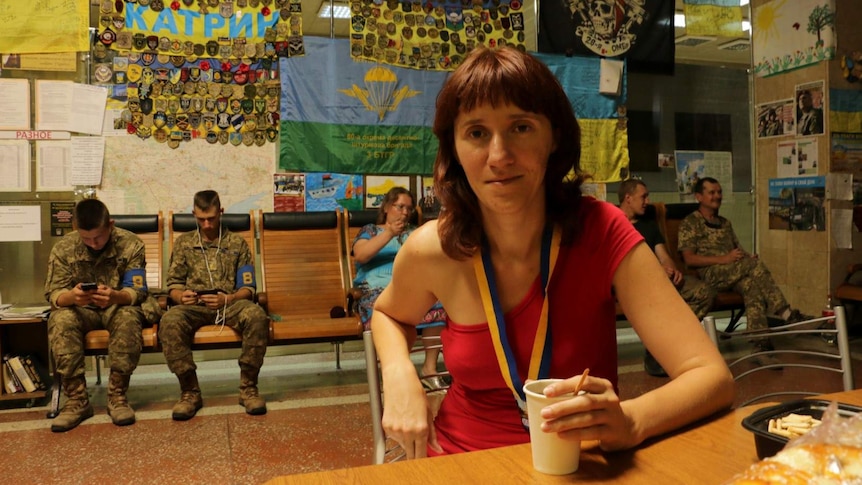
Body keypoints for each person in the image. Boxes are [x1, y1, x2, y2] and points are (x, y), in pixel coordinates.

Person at [371, 47, 735, 458]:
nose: (498, 156)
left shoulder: (602, 231)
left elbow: (711, 377)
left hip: (581, 464)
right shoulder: (433, 247)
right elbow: (387, 314)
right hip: (461, 461)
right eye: (476, 133)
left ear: (554, 136)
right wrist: (400, 373)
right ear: (454, 148)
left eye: (521, 128)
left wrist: (632, 420)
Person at [160, 190, 269, 419]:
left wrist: (228, 298)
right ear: (193, 215)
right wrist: (181, 297)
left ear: (221, 212)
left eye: (211, 218)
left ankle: (248, 388)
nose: (207, 224)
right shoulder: (184, 243)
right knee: (170, 320)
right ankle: (189, 392)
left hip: (229, 303)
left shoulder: (237, 244)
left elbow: (248, 288)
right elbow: (173, 284)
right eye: (201, 219)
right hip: (194, 306)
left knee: (257, 316)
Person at [44, 198, 149, 432]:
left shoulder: (131, 244)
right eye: (86, 239)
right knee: (60, 320)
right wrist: (72, 297)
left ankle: (117, 396)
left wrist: (115, 296)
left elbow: (137, 292)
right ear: (75, 229)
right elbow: (54, 293)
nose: (93, 244)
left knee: (129, 317)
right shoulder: (63, 248)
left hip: (116, 307)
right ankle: (77, 401)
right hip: (82, 310)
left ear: (110, 225)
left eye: (98, 237)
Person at [678, 177, 813, 353]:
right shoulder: (690, 223)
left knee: (751, 286)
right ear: (699, 197)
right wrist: (724, 259)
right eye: (711, 192)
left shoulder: (725, 223)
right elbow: (689, 259)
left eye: (719, 192)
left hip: (732, 271)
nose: (717, 196)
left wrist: (747, 256)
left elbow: (738, 251)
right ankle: (787, 315)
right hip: (711, 274)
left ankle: (760, 342)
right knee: (753, 265)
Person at [617, 179, 716, 377]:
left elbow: (664, 256)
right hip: (631, 283)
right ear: (628, 198)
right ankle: (660, 349)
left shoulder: (650, 227)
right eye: (643, 197)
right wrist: (653, 271)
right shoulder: (614, 225)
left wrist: (671, 268)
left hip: (660, 281)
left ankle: (663, 347)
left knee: (704, 292)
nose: (648, 201)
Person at [352, 186, 447, 387]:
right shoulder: (371, 230)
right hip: (376, 289)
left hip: (411, 288)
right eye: (400, 206)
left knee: (438, 305)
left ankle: (429, 369)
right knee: (383, 312)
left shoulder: (415, 232)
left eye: (409, 208)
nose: (405, 212)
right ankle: (398, 372)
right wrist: (389, 233)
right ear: (387, 207)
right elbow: (361, 255)